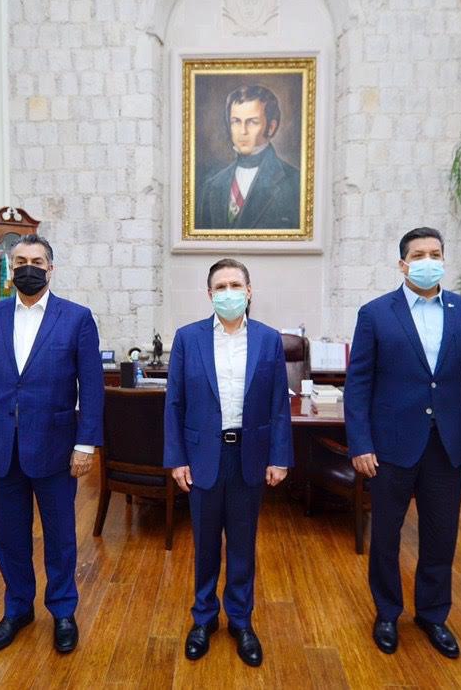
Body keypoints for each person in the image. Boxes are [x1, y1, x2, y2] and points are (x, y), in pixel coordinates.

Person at [344, 227, 461, 659]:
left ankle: (433, 614)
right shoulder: (376, 313)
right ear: (403, 264)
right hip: (390, 445)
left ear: (443, 260)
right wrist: (360, 443)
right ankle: (387, 613)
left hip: (447, 445)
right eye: (418, 255)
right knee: (386, 535)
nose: (428, 260)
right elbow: (358, 384)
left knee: (440, 534)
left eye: (435, 253)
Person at [0, 234, 105, 655]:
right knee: (7, 536)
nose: (28, 268)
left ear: (51, 268)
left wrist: (86, 444)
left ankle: (63, 611)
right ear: (9, 269)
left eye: (37, 261)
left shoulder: (76, 318)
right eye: (19, 261)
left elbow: (92, 387)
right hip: (0, 447)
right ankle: (18, 608)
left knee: (60, 536)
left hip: (55, 448)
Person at [164, 258, 293, 667]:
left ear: (249, 291)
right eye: (220, 287)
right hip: (203, 455)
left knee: (242, 544)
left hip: (249, 456)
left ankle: (240, 620)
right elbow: (174, 403)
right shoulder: (188, 338)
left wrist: (279, 457)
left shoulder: (269, 339)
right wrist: (176, 459)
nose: (228, 293)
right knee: (205, 545)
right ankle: (203, 619)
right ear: (209, 294)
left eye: (235, 285)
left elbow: (279, 404)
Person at [194, 85, 302, 231]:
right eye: (236, 121)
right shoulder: (212, 186)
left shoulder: (294, 183)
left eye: (252, 122)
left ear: (271, 127)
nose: (243, 131)